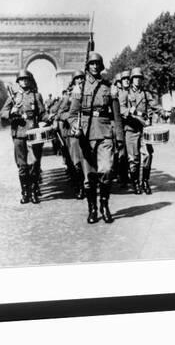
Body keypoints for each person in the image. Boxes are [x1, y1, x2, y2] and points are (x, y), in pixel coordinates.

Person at [67, 53, 124, 223]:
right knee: (90, 176)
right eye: (91, 63)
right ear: (87, 66)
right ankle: (92, 209)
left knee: (106, 170)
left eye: (97, 63)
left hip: (104, 132)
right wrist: (73, 125)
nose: (94, 66)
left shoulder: (109, 87)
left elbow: (116, 115)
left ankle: (104, 205)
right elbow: (71, 115)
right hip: (85, 135)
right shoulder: (79, 87)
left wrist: (119, 137)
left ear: (101, 66)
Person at [0, 70, 47, 204]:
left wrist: (50, 118)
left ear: (30, 81)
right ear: (18, 82)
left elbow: (42, 113)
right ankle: (25, 192)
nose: (24, 81)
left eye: (26, 79)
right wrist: (11, 112)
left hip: (32, 133)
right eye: (22, 79)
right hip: (18, 134)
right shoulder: (13, 97)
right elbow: (2, 113)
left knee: (34, 163)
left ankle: (33, 191)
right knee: (22, 165)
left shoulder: (36, 96)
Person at [118, 67, 164, 195]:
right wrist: (128, 111)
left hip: (144, 129)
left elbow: (154, 105)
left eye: (140, 78)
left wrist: (163, 112)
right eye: (135, 78)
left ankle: (145, 181)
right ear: (132, 79)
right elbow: (121, 109)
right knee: (133, 159)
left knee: (148, 155)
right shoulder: (125, 93)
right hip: (131, 129)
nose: (138, 80)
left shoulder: (145, 93)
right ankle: (135, 183)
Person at [55, 72, 86, 199]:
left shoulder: (89, 93)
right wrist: (71, 118)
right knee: (76, 160)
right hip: (73, 132)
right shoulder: (69, 96)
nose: (80, 80)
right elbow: (59, 114)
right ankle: (80, 186)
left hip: (88, 130)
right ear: (73, 81)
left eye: (82, 78)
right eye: (77, 78)